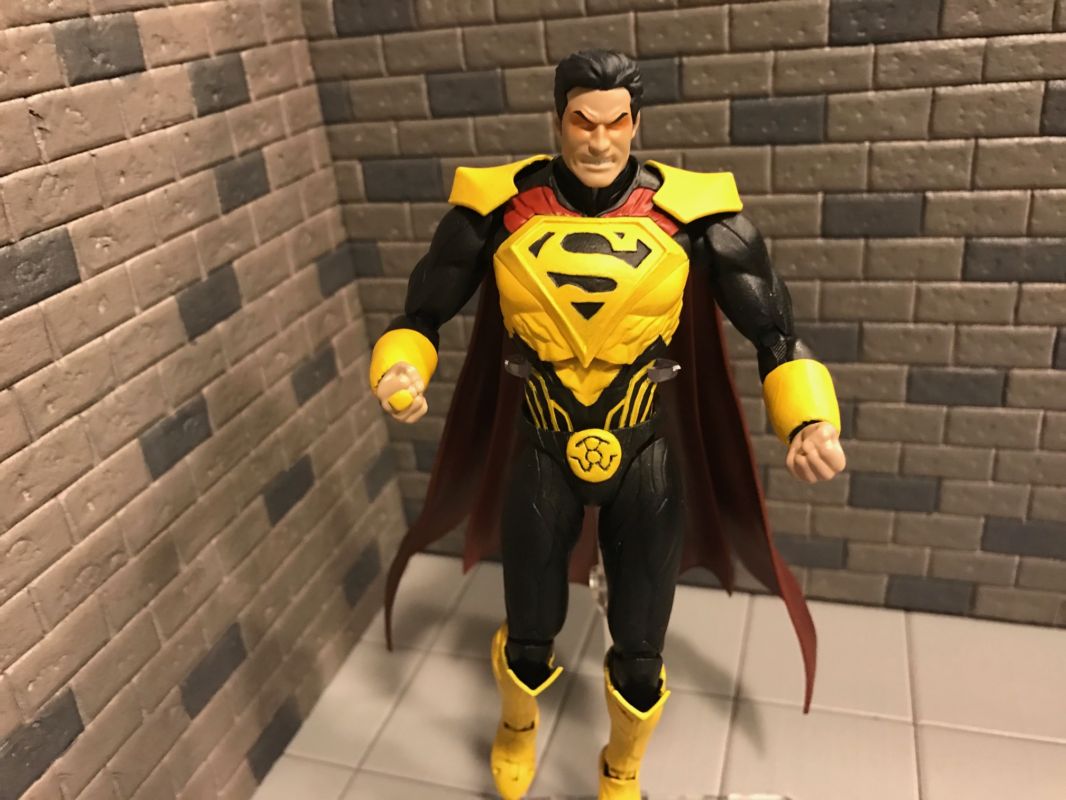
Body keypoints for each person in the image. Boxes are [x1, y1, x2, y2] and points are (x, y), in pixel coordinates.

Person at [367, 49, 846, 800]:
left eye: (615, 123)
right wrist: (402, 369)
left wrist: (808, 420)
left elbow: (775, 333)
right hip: (543, 444)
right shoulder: (499, 210)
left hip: (644, 447)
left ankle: (622, 770)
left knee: (642, 644)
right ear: (557, 122)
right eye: (582, 122)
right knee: (531, 624)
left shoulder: (694, 215)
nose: (598, 141)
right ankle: (517, 722)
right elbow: (421, 313)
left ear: (636, 123)